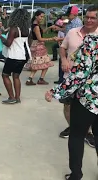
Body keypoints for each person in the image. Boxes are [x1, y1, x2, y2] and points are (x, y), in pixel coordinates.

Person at [45, 34, 98, 180]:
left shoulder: (93, 42)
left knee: (76, 136)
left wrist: (56, 91)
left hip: (89, 99)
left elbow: (81, 74)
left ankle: (76, 175)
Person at [57, 5, 98, 148]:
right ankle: (73, 127)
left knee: (88, 109)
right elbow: (63, 48)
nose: (89, 20)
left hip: (91, 84)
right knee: (67, 105)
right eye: (87, 17)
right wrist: (63, 59)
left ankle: (88, 132)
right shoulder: (72, 32)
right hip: (70, 77)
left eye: (93, 18)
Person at [0, 8, 32, 104]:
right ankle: (17, 97)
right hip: (24, 56)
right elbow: (29, 43)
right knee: (16, 76)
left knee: (5, 75)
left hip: (14, 56)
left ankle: (11, 97)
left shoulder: (14, 29)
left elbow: (8, 43)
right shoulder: (28, 29)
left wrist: (0, 36)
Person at [24, 10, 57, 85]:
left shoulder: (34, 25)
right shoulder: (36, 26)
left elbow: (41, 33)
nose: (42, 18)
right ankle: (40, 79)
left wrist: (49, 28)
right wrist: (52, 39)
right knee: (45, 63)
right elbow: (40, 38)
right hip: (39, 46)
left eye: (43, 17)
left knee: (38, 63)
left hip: (35, 45)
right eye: (41, 16)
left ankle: (30, 79)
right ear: (36, 16)